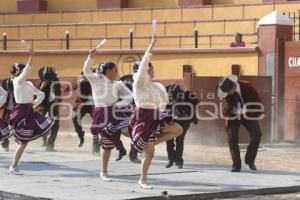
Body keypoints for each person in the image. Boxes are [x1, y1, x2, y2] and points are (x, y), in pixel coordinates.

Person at [129, 36, 183, 189]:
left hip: (156, 115)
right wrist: (151, 45)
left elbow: (164, 101)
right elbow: (143, 65)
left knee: (178, 129)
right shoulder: (138, 82)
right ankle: (143, 180)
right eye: (149, 69)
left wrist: (160, 113)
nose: (151, 71)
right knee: (150, 154)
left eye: (150, 68)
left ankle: (149, 143)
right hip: (142, 117)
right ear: (146, 70)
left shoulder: (157, 85)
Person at [83, 47, 133, 181]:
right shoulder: (96, 79)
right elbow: (86, 71)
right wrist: (90, 57)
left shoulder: (118, 84)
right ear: (109, 71)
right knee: (107, 145)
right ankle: (104, 172)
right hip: (100, 113)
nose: (117, 72)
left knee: (129, 130)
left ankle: (138, 145)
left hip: (115, 111)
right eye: (115, 70)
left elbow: (130, 96)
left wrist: (119, 104)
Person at [8, 54, 55, 174]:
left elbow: (41, 95)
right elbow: (27, 70)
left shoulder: (28, 84)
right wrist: (31, 55)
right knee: (23, 142)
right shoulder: (17, 81)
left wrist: (34, 104)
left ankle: (16, 135)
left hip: (29, 110)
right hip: (20, 111)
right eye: (23, 71)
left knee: (47, 127)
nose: (25, 72)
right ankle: (13, 166)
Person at [216, 75, 263, 172]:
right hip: (233, 115)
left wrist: (256, 112)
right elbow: (225, 110)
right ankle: (236, 165)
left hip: (249, 114)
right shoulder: (226, 94)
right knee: (232, 138)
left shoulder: (247, 86)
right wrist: (227, 107)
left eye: (229, 91)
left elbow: (257, 98)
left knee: (257, 134)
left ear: (233, 86)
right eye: (226, 92)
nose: (228, 93)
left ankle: (250, 160)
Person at [165, 84, 199, 169]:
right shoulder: (169, 98)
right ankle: (171, 160)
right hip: (171, 121)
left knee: (180, 140)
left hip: (184, 122)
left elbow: (196, 102)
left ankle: (178, 161)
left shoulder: (188, 97)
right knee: (169, 139)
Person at [38, 66, 61, 152]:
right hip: (43, 105)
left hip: (53, 104)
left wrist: (58, 103)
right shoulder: (42, 82)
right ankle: (44, 140)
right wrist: (42, 87)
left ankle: (50, 145)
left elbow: (58, 92)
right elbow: (37, 95)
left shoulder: (56, 81)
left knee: (55, 124)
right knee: (42, 123)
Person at [72, 72, 94, 149]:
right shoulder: (79, 79)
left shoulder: (95, 79)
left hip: (93, 105)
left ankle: (96, 144)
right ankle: (81, 136)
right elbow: (72, 87)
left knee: (98, 123)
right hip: (82, 104)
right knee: (75, 118)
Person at [0, 77, 16, 151]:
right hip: (7, 111)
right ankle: (5, 144)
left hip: (15, 111)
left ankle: (19, 140)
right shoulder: (5, 91)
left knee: (17, 126)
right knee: (4, 127)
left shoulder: (17, 91)